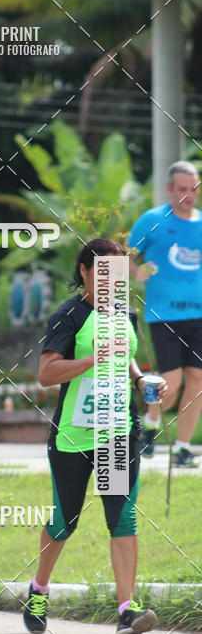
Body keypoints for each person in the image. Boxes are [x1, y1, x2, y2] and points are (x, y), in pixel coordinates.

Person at [23, 238, 166, 634]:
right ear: (85, 271)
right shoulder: (68, 315)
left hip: (117, 431)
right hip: (73, 436)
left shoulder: (126, 313)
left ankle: (126, 609)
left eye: (118, 273)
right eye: (103, 271)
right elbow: (46, 375)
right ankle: (38, 589)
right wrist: (91, 360)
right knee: (65, 520)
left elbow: (127, 355)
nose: (111, 280)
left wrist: (141, 379)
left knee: (121, 515)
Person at [128, 161, 202, 467]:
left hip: (199, 315)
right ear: (170, 189)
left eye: (193, 189)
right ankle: (151, 423)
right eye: (182, 189)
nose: (188, 194)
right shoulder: (153, 220)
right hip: (164, 315)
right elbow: (125, 256)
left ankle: (182, 448)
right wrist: (137, 272)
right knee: (169, 383)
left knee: (197, 379)